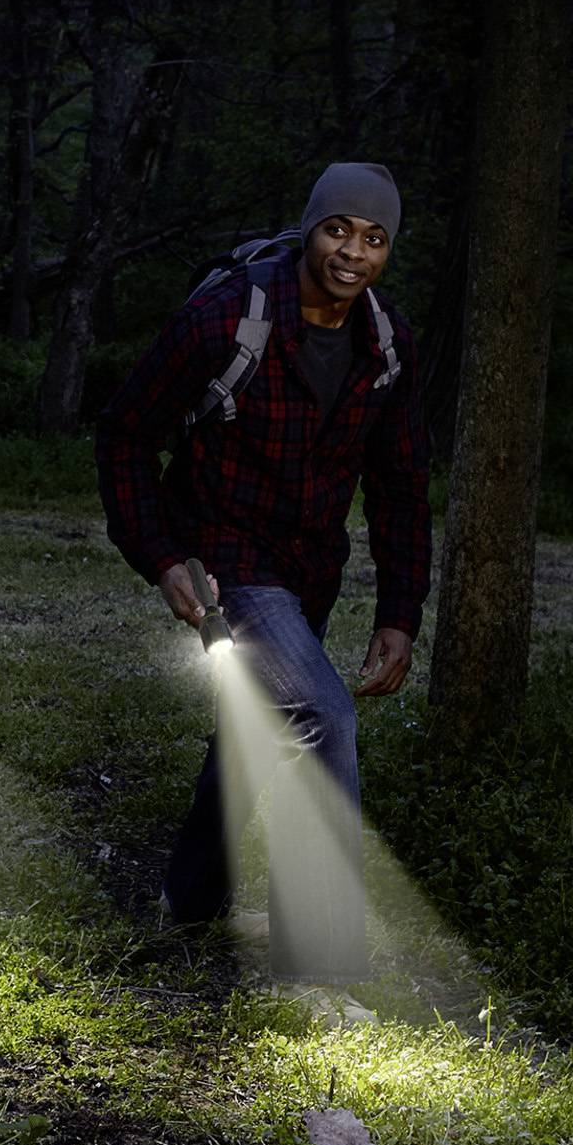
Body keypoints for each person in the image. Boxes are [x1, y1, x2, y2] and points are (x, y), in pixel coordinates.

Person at [95, 162, 430, 1008]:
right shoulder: (225, 319)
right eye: (338, 229)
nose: (353, 252)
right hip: (224, 560)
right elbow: (125, 434)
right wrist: (162, 557)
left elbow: (400, 485)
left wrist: (400, 611)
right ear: (311, 227)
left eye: (375, 238)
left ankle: (187, 899)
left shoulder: (387, 344)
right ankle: (315, 971)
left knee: (257, 724)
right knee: (322, 715)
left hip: (312, 567)